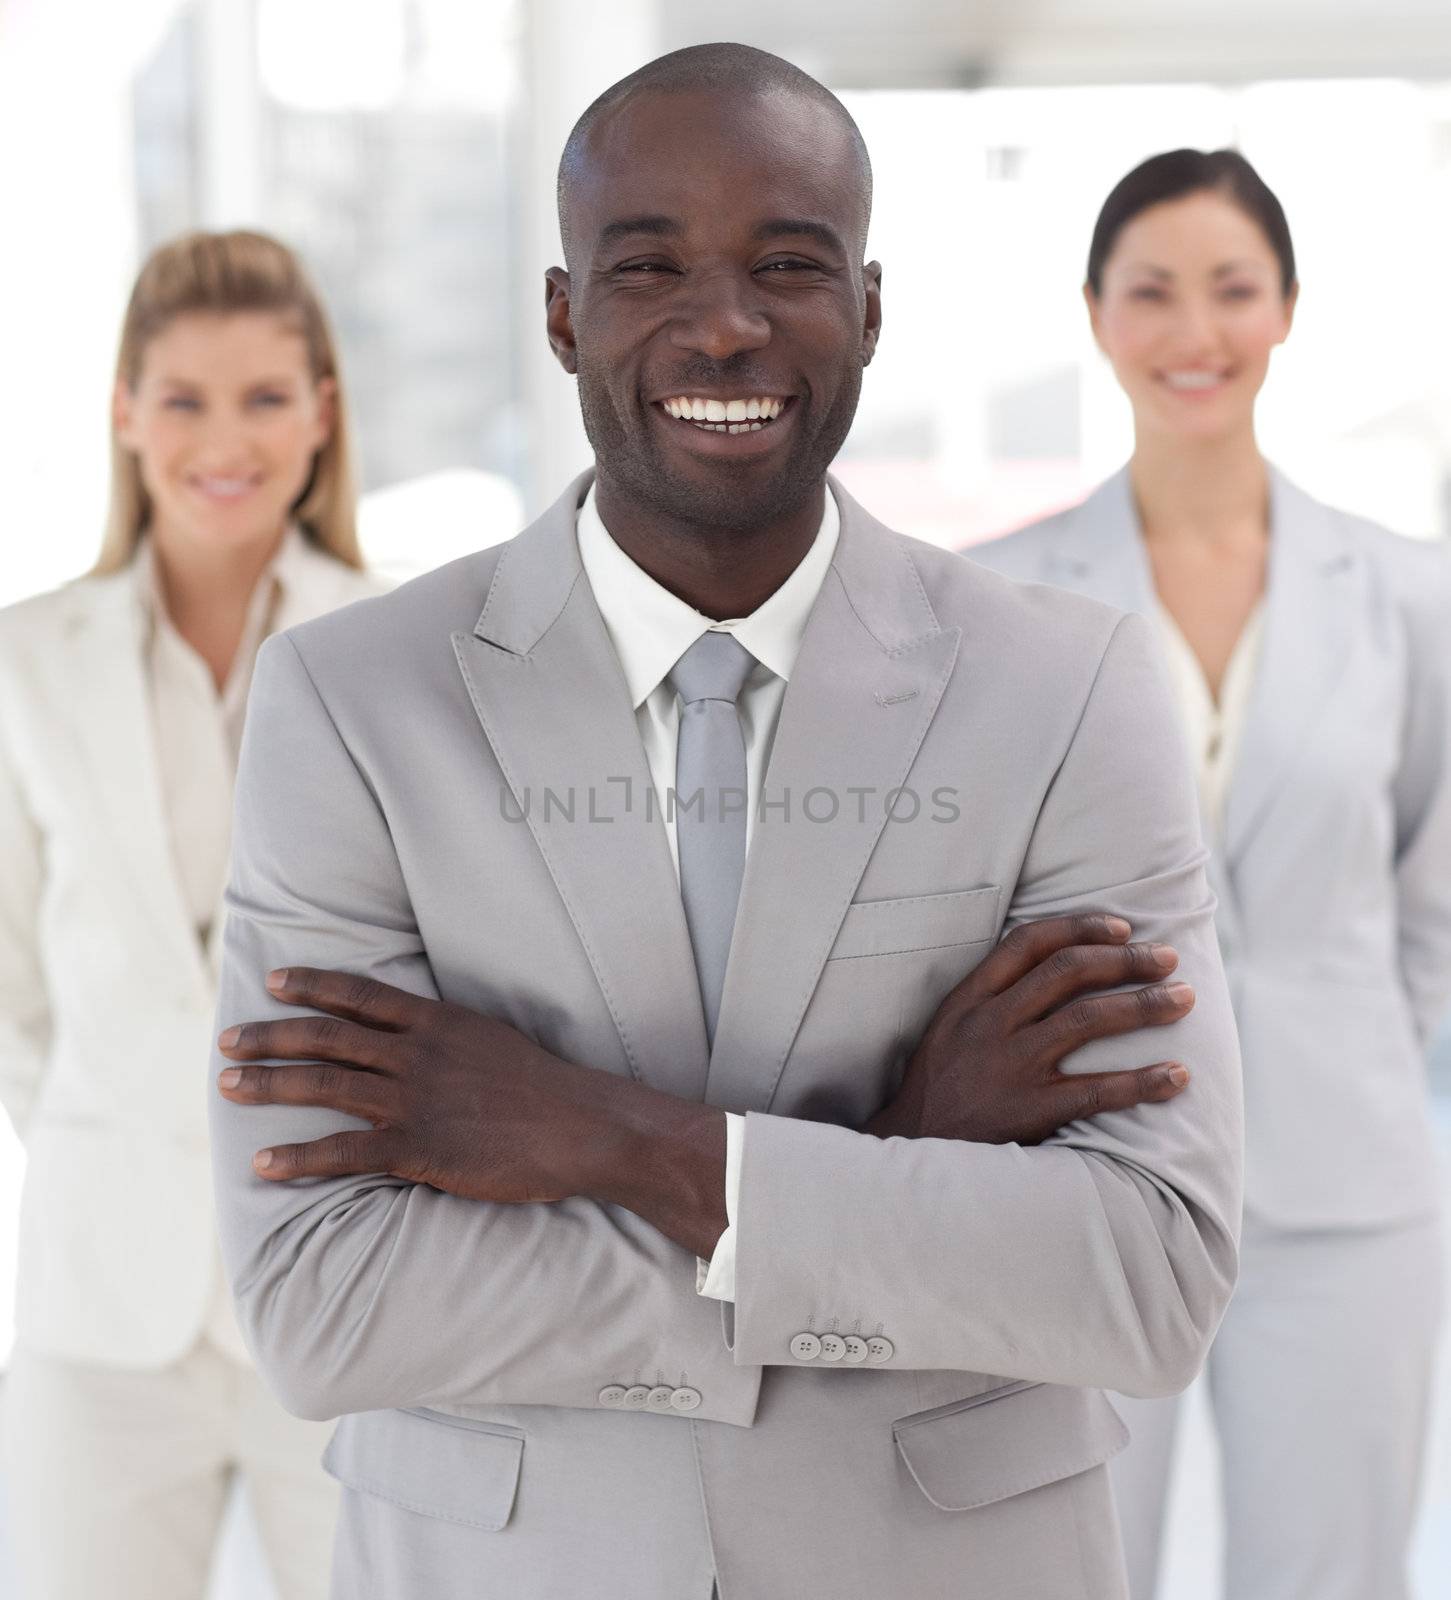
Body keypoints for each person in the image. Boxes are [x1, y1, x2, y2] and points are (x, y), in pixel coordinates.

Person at [208, 47, 1242, 1600]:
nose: (727, 324)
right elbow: (325, 1302)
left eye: (787, 264)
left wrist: (615, 1142)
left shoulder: (1072, 685)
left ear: (871, 311)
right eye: (649, 266)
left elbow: (1149, 1275)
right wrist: (884, 1165)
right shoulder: (352, 705)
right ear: (563, 315)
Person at [973, 149, 1451, 1600]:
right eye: (1155, 293)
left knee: (1335, 1572)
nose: (1197, 334)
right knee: (1070, 1560)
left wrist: (1351, 1050)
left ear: (1287, 311)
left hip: (1346, 1188)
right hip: (1094, 1180)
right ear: (1098, 316)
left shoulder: (1408, 592)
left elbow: (1434, 896)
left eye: (1234, 290)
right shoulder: (1009, 600)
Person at [0, 229, 388, 1599]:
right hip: (100, 1305)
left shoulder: (397, 655)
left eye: (266, 397)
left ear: (323, 414)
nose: (224, 439)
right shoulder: (25, 661)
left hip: (342, 1286)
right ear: (122, 412)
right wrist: (115, 1129)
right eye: (183, 398)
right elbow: (14, 996)